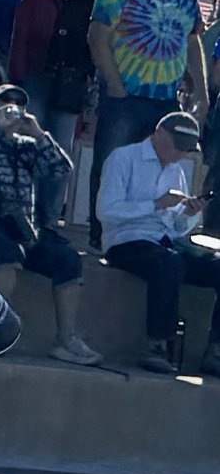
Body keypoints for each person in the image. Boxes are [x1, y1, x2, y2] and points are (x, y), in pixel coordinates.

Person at [0, 84, 100, 365]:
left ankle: (66, 338)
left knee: (67, 260)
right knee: (6, 251)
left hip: (19, 230)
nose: (11, 108)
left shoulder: (27, 147)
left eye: (17, 104)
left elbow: (61, 170)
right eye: (3, 102)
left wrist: (39, 134)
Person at [88, 0, 208, 249]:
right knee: (112, 163)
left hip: (166, 101)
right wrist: (115, 84)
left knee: (168, 169)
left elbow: (193, 40)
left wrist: (201, 90)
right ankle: (102, 238)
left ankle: (159, 232)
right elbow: (97, 37)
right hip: (126, 97)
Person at [94, 111, 220, 374]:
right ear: (159, 135)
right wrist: (154, 205)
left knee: (214, 266)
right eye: (178, 147)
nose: (181, 155)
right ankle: (157, 344)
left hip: (165, 241)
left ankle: (216, 350)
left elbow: (176, 226)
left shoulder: (176, 169)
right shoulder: (123, 158)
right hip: (126, 241)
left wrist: (189, 212)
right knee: (168, 263)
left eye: (187, 150)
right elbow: (106, 211)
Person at [9, 0, 94, 222]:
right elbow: (19, 41)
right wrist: (16, 84)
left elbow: (94, 44)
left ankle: (50, 217)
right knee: (32, 144)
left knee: (61, 153)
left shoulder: (90, 3)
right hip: (36, 78)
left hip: (70, 85)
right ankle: (26, 213)